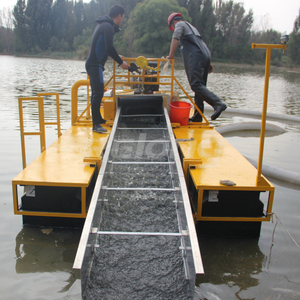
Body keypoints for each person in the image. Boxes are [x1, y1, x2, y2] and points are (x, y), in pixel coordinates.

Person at [167, 13, 227, 122]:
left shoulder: (180, 25)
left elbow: (175, 37)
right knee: (200, 85)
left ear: (173, 22)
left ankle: (218, 104)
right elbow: (201, 43)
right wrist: (207, 62)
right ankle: (198, 115)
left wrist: (171, 55)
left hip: (196, 56)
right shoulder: (192, 27)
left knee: (195, 85)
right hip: (204, 54)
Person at [86, 4, 129, 133]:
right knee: (98, 93)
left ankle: (98, 118)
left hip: (94, 64)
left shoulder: (103, 25)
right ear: (119, 15)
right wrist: (121, 62)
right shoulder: (108, 27)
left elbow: (105, 48)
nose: (122, 19)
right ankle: (96, 125)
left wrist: (117, 57)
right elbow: (109, 48)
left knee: (96, 92)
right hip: (95, 65)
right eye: (123, 17)